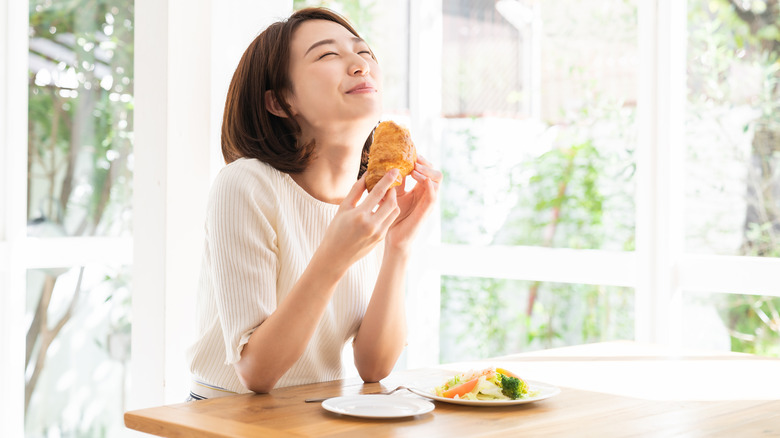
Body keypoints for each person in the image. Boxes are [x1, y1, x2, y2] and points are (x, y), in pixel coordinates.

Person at [185, 7, 442, 400]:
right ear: (281, 102)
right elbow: (256, 371)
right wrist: (335, 255)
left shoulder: (369, 201)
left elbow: (374, 367)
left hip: (320, 415)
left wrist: (398, 247)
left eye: (364, 52)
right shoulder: (247, 184)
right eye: (328, 55)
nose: (360, 65)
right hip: (228, 417)